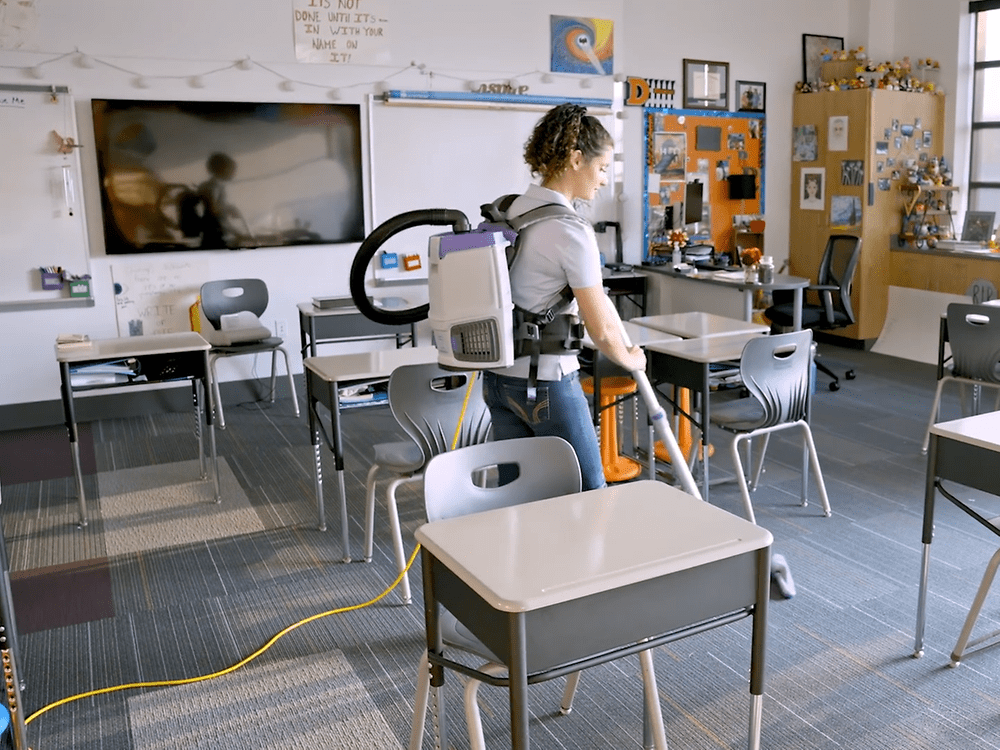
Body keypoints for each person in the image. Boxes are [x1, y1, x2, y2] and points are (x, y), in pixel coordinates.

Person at [482, 103, 646, 491]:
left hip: (499, 380)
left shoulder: (509, 210)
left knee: (518, 494)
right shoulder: (571, 230)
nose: (604, 180)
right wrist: (629, 357)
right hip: (548, 382)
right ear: (576, 159)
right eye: (602, 168)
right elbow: (600, 327)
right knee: (590, 491)